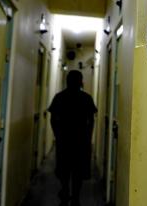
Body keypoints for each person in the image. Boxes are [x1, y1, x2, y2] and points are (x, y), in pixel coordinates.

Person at [48, 70, 97, 206]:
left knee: (64, 168)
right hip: (81, 141)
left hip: (64, 140)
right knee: (78, 170)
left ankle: (65, 191)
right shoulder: (86, 98)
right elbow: (91, 120)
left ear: (67, 81)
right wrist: (88, 137)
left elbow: (53, 119)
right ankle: (75, 197)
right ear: (80, 81)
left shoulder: (60, 97)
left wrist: (57, 135)